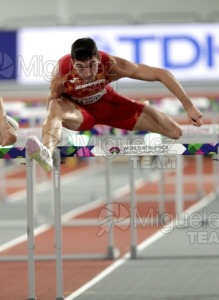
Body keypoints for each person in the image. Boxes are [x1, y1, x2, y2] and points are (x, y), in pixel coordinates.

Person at [26, 37, 203, 172]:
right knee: (55, 106)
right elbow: (52, 105)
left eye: (92, 65)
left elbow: (161, 74)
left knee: (175, 131)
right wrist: (54, 132)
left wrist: (189, 107)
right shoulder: (62, 74)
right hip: (81, 114)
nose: (87, 73)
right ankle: (46, 154)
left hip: (111, 106)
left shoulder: (112, 65)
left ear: (98, 58)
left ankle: (141, 106)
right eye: (80, 67)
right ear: (73, 63)